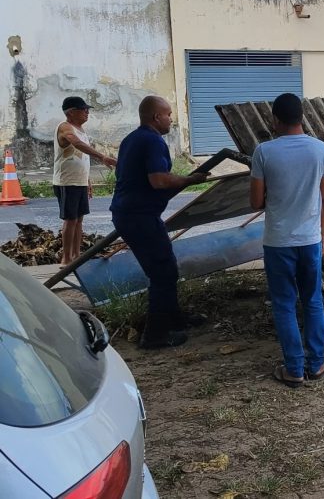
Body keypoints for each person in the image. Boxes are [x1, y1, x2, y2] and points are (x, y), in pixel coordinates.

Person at [110, 95, 208, 349]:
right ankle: (155, 336)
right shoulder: (152, 141)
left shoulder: (132, 139)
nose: (171, 120)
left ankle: (175, 320)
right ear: (156, 117)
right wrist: (190, 180)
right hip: (139, 216)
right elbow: (159, 180)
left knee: (166, 268)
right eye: (168, 115)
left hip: (129, 214)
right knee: (163, 274)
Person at [249, 93, 324, 389]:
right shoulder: (321, 150)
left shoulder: (264, 152)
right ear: (301, 117)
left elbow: (256, 201)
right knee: (313, 301)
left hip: (278, 242)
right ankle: (317, 364)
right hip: (310, 241)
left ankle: (294, 369)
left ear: (275, 120)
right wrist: (321, 239)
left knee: (284, 304)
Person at [53, 96, 117, 266]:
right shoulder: (65, 127)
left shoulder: (81, 130)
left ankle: (76, 255)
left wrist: (87, 180)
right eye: (84, 109)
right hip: (66, 181)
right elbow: (76, 144)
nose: (87, 112)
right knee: (70, 219)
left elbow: (81, 158)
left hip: (79, 181)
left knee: (79, 219)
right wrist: (102, 156)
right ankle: (66, 259)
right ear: (71, 112)